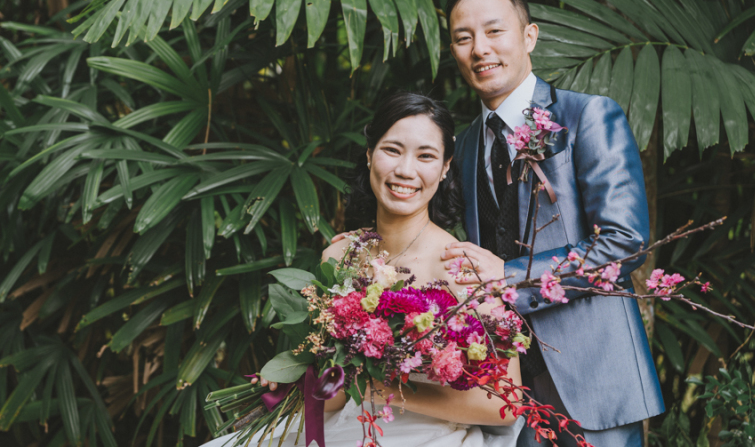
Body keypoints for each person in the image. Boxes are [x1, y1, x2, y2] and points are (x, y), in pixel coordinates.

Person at [199, 93, 523, 447]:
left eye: (426, 156)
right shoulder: (339, 255)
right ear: (370, 155)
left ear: (445, 167)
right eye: (392, 150)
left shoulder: (463, 269)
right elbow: (336, 391)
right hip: (349, 424)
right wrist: (296, 384)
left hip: (426, 434)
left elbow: (506, 405)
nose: (405, 170)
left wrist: (382, 389)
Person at [440, 0, 664, 446]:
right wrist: (366, 250)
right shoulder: (462, 147)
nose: (480, 48)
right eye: (464, 38)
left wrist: (507, 276)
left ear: (529, 36)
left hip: (596, 379)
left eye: (494, 31)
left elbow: (624, 245)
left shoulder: (588, 116)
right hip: (506, 390)